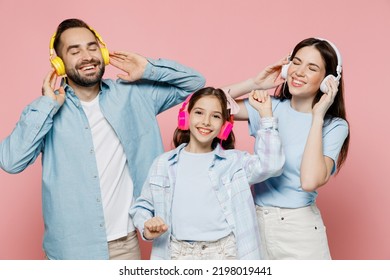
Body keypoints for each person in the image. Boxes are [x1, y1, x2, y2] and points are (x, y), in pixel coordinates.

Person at [0, 18, 205, 260]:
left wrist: (148, 68)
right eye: (74, 51)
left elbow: (195, 83)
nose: (87, 56)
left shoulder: (134, 94)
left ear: (103, 52)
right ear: (59, 63)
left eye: (92, 47)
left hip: (125, 245)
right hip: (70, 252)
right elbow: (11, 162)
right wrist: (46, 106)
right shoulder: (46, 110)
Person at [222, 37, 350, 259]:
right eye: (296, 62)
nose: (299, 72)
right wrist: (255, 83)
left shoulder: (334, 126)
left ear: (328, 80)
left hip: (299, 230)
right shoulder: (267, 107)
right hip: (253, 223)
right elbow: (200, 105)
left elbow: (309, 181)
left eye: (312, 68)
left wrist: (317, 116)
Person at [129, 87, 285, 260]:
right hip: (177, 253)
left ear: (225, 126)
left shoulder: (234, 162)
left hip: (225, 253)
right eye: (199, 113)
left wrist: (266, 115)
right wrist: (146, 225)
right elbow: (142, 206)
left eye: (216, 116)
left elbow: (272, 164)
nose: (206, 121)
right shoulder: (163, 164)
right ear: (185, 117)